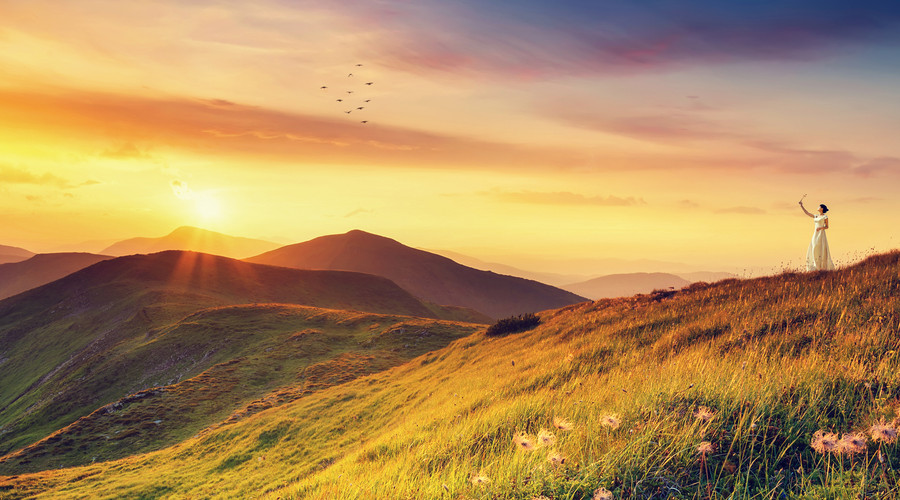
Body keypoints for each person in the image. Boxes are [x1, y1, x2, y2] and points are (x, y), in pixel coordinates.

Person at [799, 200, 834, 271]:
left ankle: (821, 266)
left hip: (821, 234)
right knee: (813, 248)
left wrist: (821, 228)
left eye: (819, 206)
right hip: (815, 234)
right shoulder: (816, 216)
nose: (817, 207)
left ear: (822, 209)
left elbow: (827, 226)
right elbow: (807, 213)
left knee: (819, 248)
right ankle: (815, 266)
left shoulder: (825, 216)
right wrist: (801, 206)